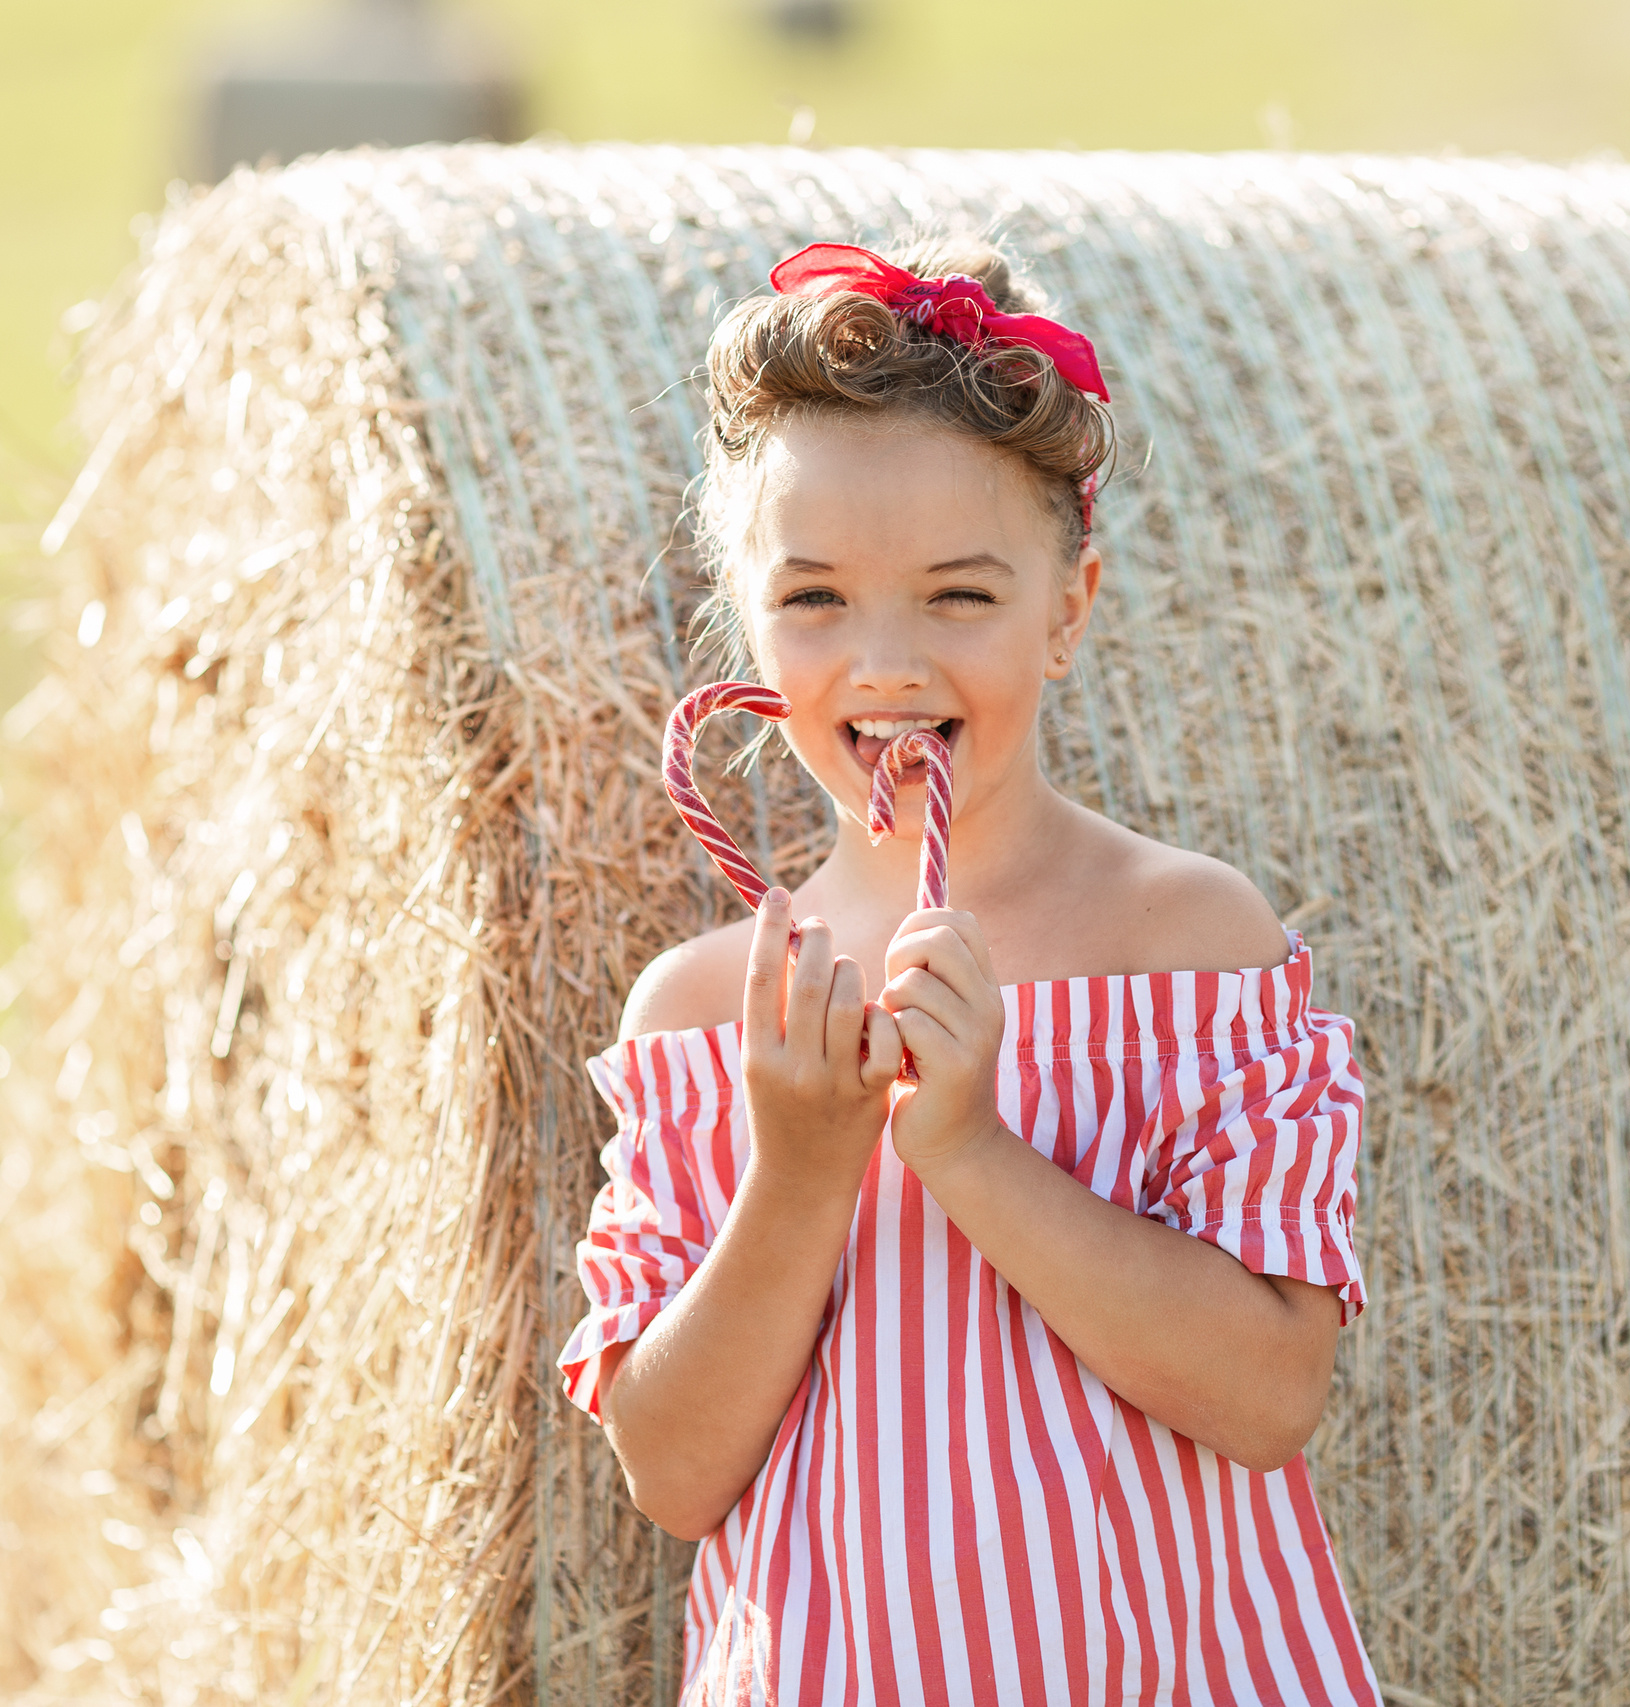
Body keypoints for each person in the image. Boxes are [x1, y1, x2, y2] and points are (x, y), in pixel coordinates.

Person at [560, 236, 1383, 1705]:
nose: (884, 663)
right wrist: (803, 1163)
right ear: (746, 617)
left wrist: (970, 1148)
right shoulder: (703, 1020)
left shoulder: (1189, 954)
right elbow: (676, 1474)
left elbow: (1270, 1396)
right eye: (814, 601)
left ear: (1067, 611)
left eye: (959, 598)